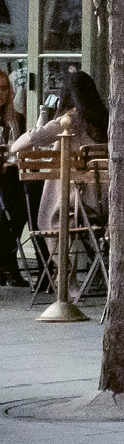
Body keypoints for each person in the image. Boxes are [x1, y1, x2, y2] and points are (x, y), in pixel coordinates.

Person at [7, 68, 108, 239]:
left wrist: (9, 147)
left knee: (28, 193)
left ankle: (47, 261)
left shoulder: (69, 120)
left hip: (75, 204)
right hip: (105, 203)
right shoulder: (104, 120)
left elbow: (24, 142)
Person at [0, 69, 26, 285]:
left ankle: (7, 260)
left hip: (10, 174)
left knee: (24, 204)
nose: (0, 93)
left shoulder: (16, 119)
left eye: (4, 88)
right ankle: (8, 263)